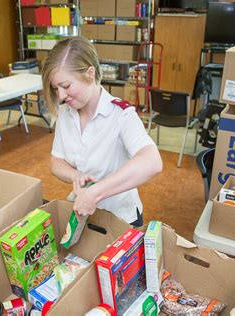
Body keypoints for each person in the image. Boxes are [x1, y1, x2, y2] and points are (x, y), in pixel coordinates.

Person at [41, 36, 163, 226]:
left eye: (66, 86)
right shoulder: (66, 114)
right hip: (83, 215)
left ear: (90, 73)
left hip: (121, 219)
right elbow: (56, 161)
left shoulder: (121, 115)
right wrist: (76, 176)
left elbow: (152, 162)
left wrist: (95, 192)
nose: (61, 96)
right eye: (56, 89)